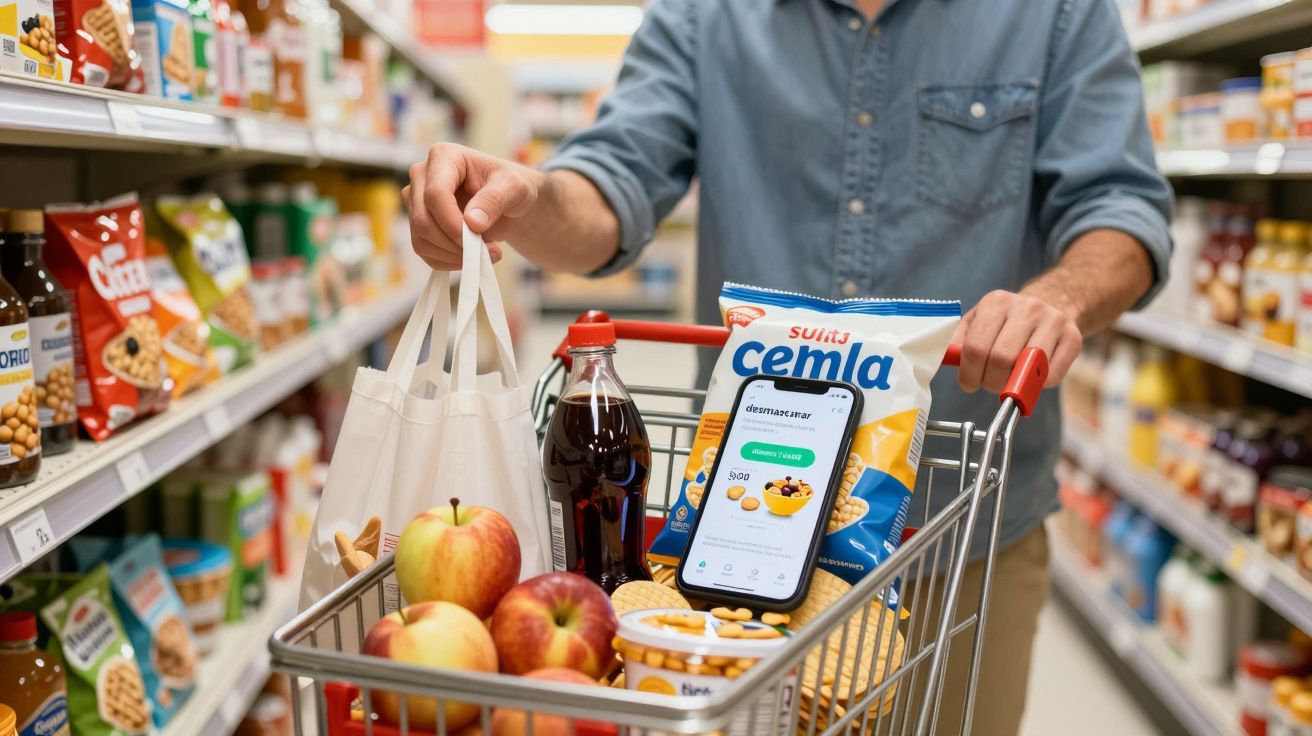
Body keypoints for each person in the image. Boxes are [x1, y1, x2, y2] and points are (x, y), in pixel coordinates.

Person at [404, 0, 1171, 732]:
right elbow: (614, 183)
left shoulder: (1055, 12)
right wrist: (528, 199)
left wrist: (1058, 300)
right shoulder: (704, 13)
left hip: (962, 533)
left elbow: (1124, 208)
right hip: (735, 537)